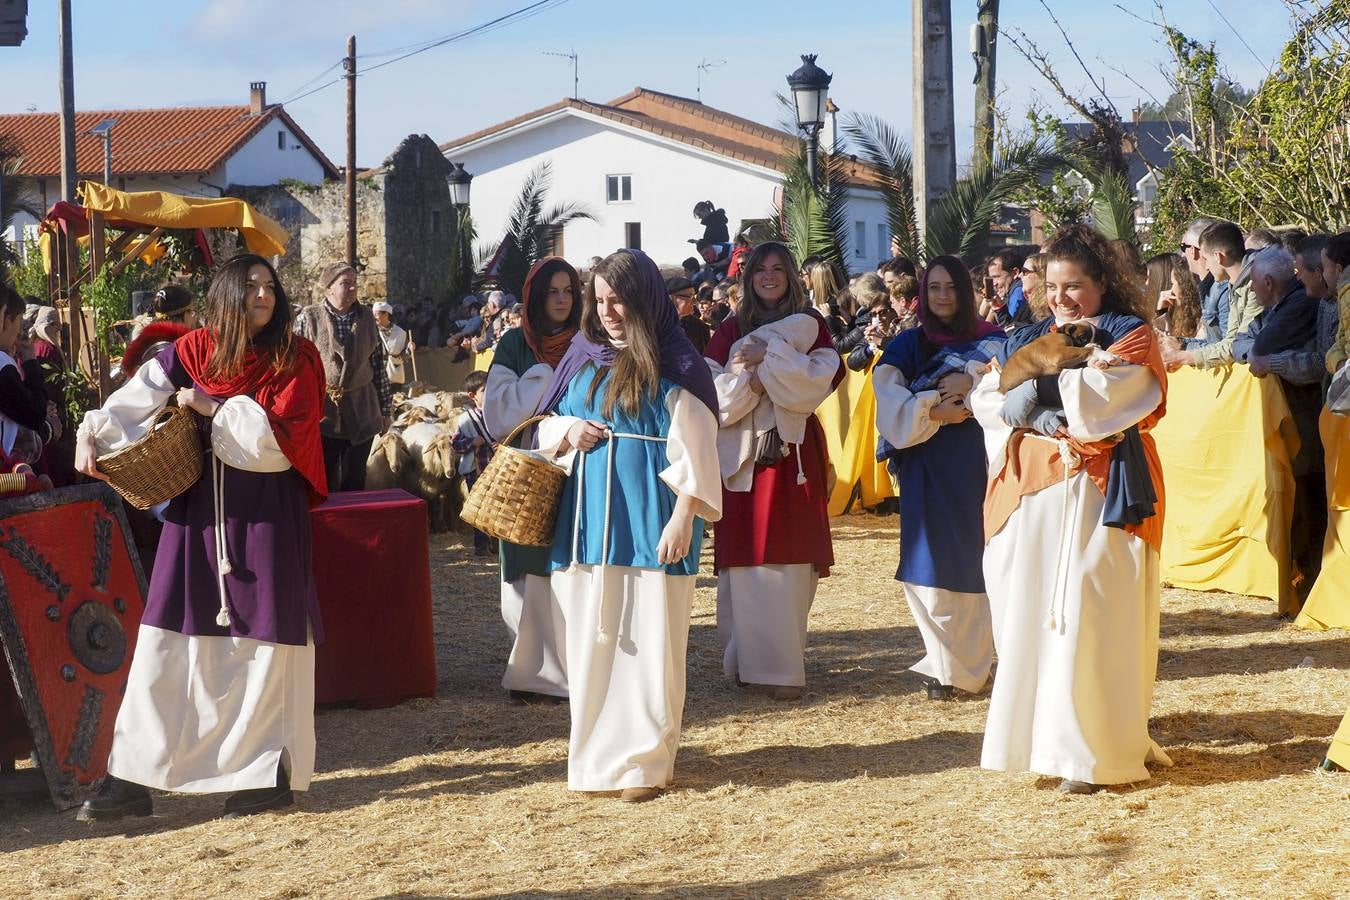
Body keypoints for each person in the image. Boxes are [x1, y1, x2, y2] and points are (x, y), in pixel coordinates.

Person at [75, 253, 326, 821]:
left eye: (270, 286)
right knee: (168, 635)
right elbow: (134, 400)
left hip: (266, 515)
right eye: (251, 286)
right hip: (198, 516)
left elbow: (282, 443)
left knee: (264, 643)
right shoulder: (193, 351)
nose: (263, 295)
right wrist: (94, 433)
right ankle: (133, 774)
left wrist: (214, 407)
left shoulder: (296, 358)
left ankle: (264, 773)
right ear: (228, 295)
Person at [971, 223, 1171, 794]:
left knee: (1092, 613)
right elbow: (986, 399)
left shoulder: (1131, 334)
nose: (1062, 299)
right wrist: (1025, 385)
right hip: (1032, 490)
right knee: (1026, 609)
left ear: (1102, 283)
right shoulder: (1029, 334)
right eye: (1054, 287)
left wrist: (1032, 381)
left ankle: (1093, 754)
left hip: (1104, 491)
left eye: (1075, 286)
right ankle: (1039, 743)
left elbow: (1111, 401)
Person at [532, 249, 721, 802]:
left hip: (652, 521)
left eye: (618, 300)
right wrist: (570, 430)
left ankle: (642, 764)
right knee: (591, 641)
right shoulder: (584, 358)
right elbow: (544, 425)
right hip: (588, 525)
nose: (608, 310)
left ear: (644, 300)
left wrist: (684, 518)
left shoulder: (676, 365)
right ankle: (594, 761)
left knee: (650, 643)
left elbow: (699, 451)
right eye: (600, 299)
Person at [705, 241, 844, 701]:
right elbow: (714, 398)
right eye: (760, 269)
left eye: (777, 268)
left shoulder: (813, 326)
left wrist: (772, 359)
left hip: (792, 456)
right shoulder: (728, 330)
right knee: (746, 558)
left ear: (790, 275)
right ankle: (746, 662)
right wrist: (756, 375)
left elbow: (815, 384)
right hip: (743, 458)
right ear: (748, 278)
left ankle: (782, 668)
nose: (768, 276)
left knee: (790, 557)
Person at [872, 258, 1005, 699]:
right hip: (926, 463)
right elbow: (888, 403)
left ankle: (970, 667)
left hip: (977, 466)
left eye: (952, 287)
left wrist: (972, 395)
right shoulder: (908, 345)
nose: (943, 296)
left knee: (975, 562)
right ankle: (947, 662)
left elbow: (1011, 390)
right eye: (934, 288)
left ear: (967, 292)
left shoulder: (993, 342)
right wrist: (934, 409)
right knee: (928, 566)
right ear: (923, 294)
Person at [482, 257, 581, 704]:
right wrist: (544, 379)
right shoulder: (513, 345)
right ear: (535, 297)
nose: (561, 300)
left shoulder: (589, 341)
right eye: (552, 292)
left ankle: (573, 670)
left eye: (568, 291)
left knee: (571, 566)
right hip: (527, 476)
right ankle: (530, 675)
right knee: (525, 568)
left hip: (580, 468)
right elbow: (499, 411)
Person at [1233, 247, 1322, 610]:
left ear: (1267, 282)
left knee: (1313, 508)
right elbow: (1245, 340)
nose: (1252, 292)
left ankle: (1312, 584)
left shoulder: (1301, 302)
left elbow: (1261, 346)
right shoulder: (1277, 307)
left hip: (1312, 423)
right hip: (1302, 425)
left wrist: (1265, 357)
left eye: (1254, 284)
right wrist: (1255, 352)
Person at [294, 262, 391, 493]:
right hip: (322, 414)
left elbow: (378, 365)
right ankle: (324, 528)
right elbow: (295, 369)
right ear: (328, 288)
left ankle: (353, 527)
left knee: (354, 479)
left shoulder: (367, 318)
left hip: (362, 410)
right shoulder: (308, 318)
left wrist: (385, 411)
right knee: (322, 481)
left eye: (354, 284)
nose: (352, 289)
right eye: (345, 284)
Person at [1163, 221, 1260, 370]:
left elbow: (1235, 346)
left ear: (1219, 257)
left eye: (1206, 259)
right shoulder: (1235, 285)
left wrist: (1184, 356)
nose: (1206, 266)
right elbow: (1232, 341)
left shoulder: (1257, 284)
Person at [451, 369, 494, 556]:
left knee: (496, 507)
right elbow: (455, 445)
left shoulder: (498, 415)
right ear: (472, 395)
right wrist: (471, 442)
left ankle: (497, 545)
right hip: (475, 470)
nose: (490, 393)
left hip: (496, 468)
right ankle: (481, 546)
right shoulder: (465, 419)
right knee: (478, 508)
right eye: (485, 390)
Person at [1147, 253, 1202, 340]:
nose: (1146, 283)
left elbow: (1166, 344)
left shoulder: (1200, 317)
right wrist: (1160, 312)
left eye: (1150, 278)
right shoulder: (1177, 315)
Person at [372, 300, 411, 390]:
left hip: (394, 375)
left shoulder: (400, 333)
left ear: (386, 314)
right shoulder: (371, 331)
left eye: (376, 314)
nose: (374, 317)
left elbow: (405, 356)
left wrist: (409, 349)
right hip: (375, 375)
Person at [667, 275, 709, 354]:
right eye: (690, 297)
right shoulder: (658, 326)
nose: (694, 302)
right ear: (672, 298)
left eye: (694, 297)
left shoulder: (699, 327)